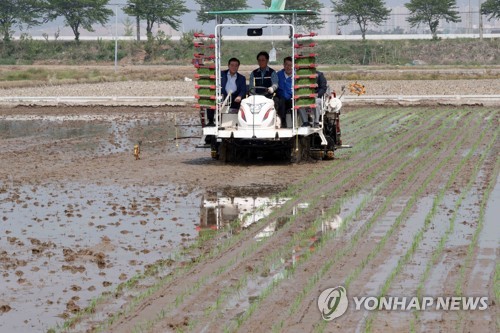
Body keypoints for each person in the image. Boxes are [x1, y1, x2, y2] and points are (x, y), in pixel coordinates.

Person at [275, 56, 293, 128]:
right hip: (281, 98)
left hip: (291, 98)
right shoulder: (278, 74)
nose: (288, 67)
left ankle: (293, 123)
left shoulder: (296, 76)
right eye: (286, 65)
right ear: (283, 65)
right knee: (280, 100)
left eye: (290, 65)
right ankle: (282, 121)